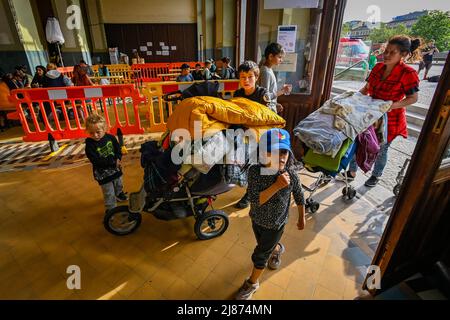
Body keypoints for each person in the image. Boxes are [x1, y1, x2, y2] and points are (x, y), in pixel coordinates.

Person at [235, 128, 306, 300]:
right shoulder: (255, 172)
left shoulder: (291, 175)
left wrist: (301, 217)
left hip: (276, 224)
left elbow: (299, 195)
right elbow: (256, 200)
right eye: (273, 151)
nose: (281, 157)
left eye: (284, 152)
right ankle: (277, 249)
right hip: (257, 219)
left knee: (260, 254)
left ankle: (252, 283)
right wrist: (276, 186)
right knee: (263, 244)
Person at [347, 35, 421, 187]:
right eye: (386, 51)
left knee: (382, 149)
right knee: (358, 141)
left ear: (404, 54)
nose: (386, 55)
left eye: (392, 52)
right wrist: (352, 100)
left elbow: (413, 98)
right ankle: (351, 172)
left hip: (391, 119)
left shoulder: (408, 73)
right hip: (369, 114)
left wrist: (389, 106)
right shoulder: (378, 67)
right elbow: (366, 89)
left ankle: (376, 175)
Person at [234, 60, 275, 209]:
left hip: (259, 135)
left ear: (256, 77)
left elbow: (266, 116)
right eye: (243, 77)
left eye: (250, 76)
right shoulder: (237, 94)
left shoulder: (263, 94)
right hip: (241, 134)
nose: (246, 80)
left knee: (255, 166)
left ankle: (249, 195)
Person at [85, 114, 128, 213]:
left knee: (119, 183)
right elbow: (95, 160)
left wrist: (118, 158)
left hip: (115, 168)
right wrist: (112, 162)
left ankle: (119, 194)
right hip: (102, 173)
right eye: (92, 133)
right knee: (108, 192)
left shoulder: (111, 138)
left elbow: (118, 149)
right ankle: (111, 209)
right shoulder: (90, 145)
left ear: (104, 129)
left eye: (98, 132)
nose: (95, 135)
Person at [258, 43, 291, 114]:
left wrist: (275, 104)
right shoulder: (265, 72)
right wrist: (282, 91)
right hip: (267, 112)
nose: (281, 60)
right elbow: (265, 96)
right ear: (270, 56)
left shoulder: (268, 69)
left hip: (270, 108)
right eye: (279, 57)